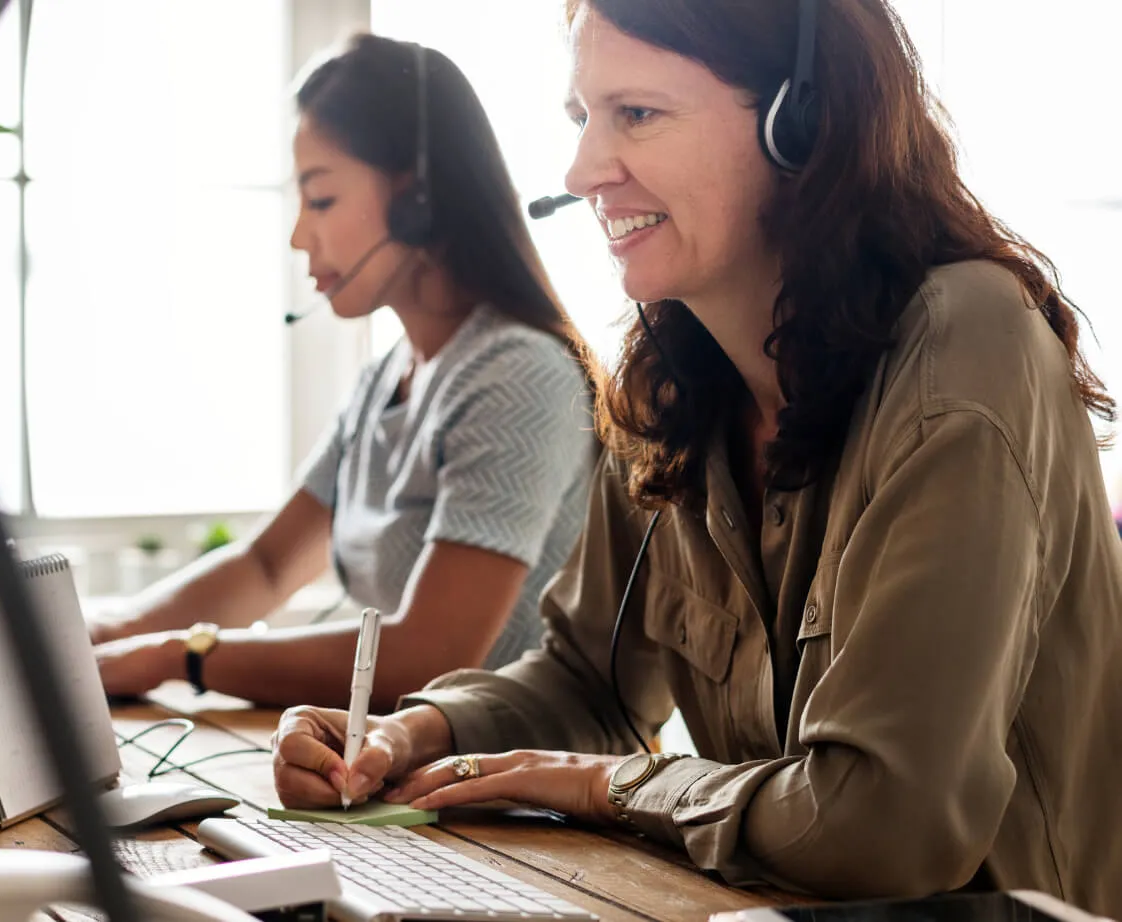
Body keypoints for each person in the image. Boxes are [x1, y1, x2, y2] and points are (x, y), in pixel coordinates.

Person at [271, 0, 1122, 913]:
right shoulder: (673, 384)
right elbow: (587, 680)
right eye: (581, 118)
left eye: (637, 114)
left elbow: (887, 823)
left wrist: (606, 786)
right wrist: (412, 735)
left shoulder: (967, 342)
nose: (583, 169)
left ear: (802, 124)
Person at [89, 34, 600, 712]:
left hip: (513, 797)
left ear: (419, 200)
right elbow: (267, 566)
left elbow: (424, 660)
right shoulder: (386, 378)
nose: (300, 236)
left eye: (322, 200)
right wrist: (109, 634)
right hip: (396, 774)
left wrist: (178, 656)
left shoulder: (518, 375)